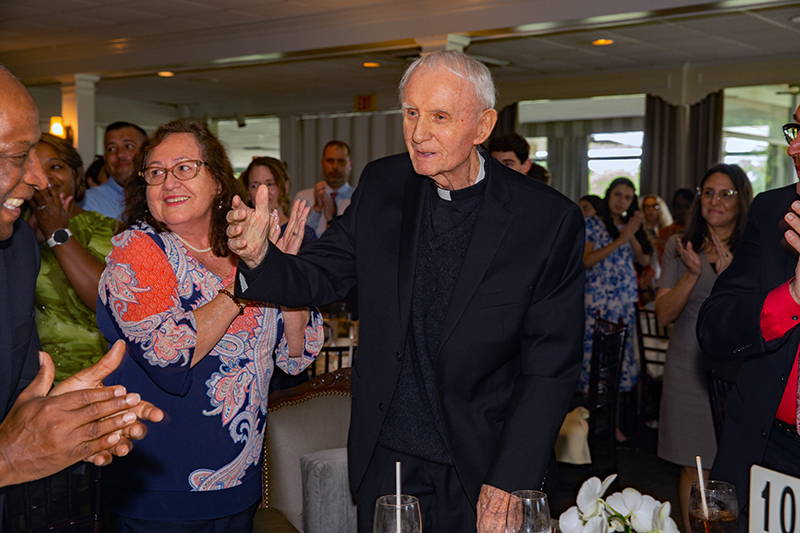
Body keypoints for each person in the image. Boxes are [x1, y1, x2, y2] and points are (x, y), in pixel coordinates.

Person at [228, 50, 585, 533]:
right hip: (389, 459)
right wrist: (259, 258)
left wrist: (510, 479)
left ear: (482, 126)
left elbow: (550, 367)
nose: (418, 133)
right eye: (411, 113)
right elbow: (321, 272)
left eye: (440, 117)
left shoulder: (545, 220)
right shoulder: (384, 184)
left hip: (482, 464)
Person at [97, 119, 323, 532]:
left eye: (185, 168)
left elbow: (295, 355)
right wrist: (246, 284)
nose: (169, 182)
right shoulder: (138, 251)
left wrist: (284, 276)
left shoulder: (245, 250)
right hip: (162, 491)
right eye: (156, 172)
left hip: (241, 484)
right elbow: (170, 354)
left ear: (218, 181)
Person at [0, 65, 162, 520]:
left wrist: (49, 412)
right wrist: (8, 458)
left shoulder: (16, 253)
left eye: (46, 159)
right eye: (20, 155)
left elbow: (15, 394)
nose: (39, 178)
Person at [696, 109, 800, 531]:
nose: (793, 148)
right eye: (796, 130)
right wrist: (791, 298)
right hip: (766, 446)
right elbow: (714, 326)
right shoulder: (774, 209)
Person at [655, 164, 752, 533]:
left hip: (740, 368)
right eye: (708, 192)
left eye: (726, 194)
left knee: (737, 465)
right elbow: (663, 314)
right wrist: (693, 274)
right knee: (693, 465)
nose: (715, 201)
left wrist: (730, 280)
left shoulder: (754, 250)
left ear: (741, 200)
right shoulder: (680, 246)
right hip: (689, 366)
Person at [26, 133, 118, 382]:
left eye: (56, 167)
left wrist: (57, 232)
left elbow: (108, 302)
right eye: (34, 166)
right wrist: (28, 241)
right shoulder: (11, 229)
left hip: (98, 373)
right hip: (29, 377)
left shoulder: (110, 230)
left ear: (75, 175)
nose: (46, 176)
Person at [580, 178, 651, 408]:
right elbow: (587, 260)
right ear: (608, 195)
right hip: (598, 301)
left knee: (619, 356)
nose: (621, 201)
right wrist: (621, 239)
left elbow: (644, 260)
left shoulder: (629, 226)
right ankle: (589, 417)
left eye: (627, 198)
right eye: (618, 195)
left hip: (624, 301)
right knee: (596, 357)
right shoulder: (592, 224)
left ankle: (616, 420)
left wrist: (631, 234)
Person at [240, 156, 316, 249]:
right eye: (255, 186)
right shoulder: (241, 234)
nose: (263, 192)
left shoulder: (302, 234)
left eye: (270, 184)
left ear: (285, 187)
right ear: (247, 192)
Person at [79, 122, 147, 220]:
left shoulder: (161, 195)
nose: (120, 155)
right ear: (105, 158)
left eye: (128, 146)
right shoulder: (88, 203)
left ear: (147, 152)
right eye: (111, 149)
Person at [293, 140, 354, 236]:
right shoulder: (303, 198)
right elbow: (295, 236)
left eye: (341, 161)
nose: (335, 166)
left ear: (350, 164)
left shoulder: (358, 199)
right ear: (322, 163)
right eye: (330, 161)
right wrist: (316, 210)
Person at [656, 188, 694, 263]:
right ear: (673, 209)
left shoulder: (701, 231)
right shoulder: (665, 233)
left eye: (687, 206)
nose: (683, 211)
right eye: (679, 207)